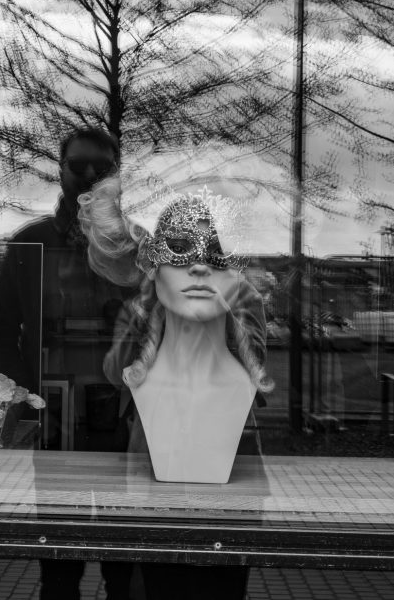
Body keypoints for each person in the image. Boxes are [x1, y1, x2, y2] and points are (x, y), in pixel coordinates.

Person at [79, 180, 273, 599]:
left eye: (219, 252)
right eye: (180, 248)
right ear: (152, 266)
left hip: (230, 524)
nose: (200, 267)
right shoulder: (141, 378)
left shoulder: (241, 386)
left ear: (236, 272)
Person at [0, 128, 135, 600]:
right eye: (78, 165)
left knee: (124, 554)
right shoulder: (31, 244)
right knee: (58, 556)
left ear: (116, 171)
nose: (90, 174)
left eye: (102, 166)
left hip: (124, 419)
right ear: (61, 169)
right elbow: (0, 331)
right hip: (56, 418)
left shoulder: (135, 244)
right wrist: (29, 394)